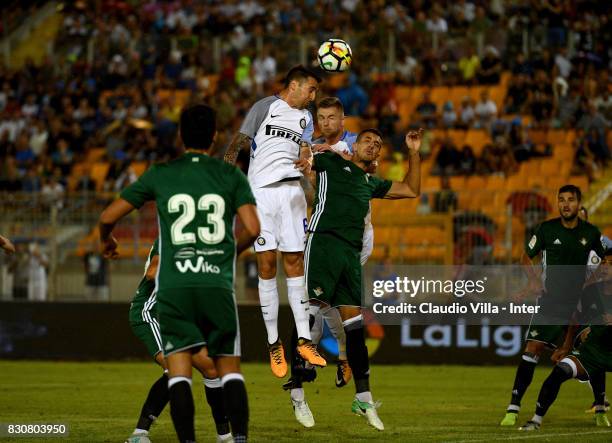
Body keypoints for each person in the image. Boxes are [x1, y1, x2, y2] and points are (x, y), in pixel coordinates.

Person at [99, 104, 260, 443]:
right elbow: (153, 271)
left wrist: (107, 238)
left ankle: (217, 435)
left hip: (179, 295)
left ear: (180, 135)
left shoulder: (164, 179)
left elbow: (108, 217)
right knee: (212, 367)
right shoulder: (227, 179)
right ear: (215, 137)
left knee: (195, 369)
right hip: (152, 309)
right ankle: (146, 432)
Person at [303, 127, 423, 430]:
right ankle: (296, 388)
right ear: (353, 146)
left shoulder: (369, 182)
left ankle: (363, 398)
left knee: (355, 330)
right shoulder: (330, 162)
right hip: (323, 246)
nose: (374, 145)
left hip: (350, 257)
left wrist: (413, 152)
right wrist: (310, 154)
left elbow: (411, 190)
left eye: (378, 143)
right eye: (368, 140)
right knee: (310, 313)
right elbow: (303, 156)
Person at [223, 65, 326, 378]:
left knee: (295, 267)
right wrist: (228, 177)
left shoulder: (306, 118)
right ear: (293, 85)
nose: (313, 97)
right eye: (310, 90)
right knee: (267, 266)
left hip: (292, 194)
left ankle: (304, 341)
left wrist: (307, 160)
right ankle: (273, 344)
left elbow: (308, 151)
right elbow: (238, 143)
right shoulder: (264, 107)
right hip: (262, 195)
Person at [500, 185, 606, 427]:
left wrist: (591, 283)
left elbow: (604, 261)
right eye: (561, 200)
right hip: (551, 302)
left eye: (570, 200)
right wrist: (535, 282)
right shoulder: (547, 229)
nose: (565, 204)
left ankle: (600, 409)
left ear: (579, 203)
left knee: (594, 353)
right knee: (532, 349)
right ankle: (512, 409)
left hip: (580, 304)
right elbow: (525, 257)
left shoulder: (591, 233)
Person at [125, 241, 231, 443]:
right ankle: (139, 435)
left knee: (211, 369)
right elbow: (152, 272)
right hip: (150, 313)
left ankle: (224, 437)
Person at [519, 247, 612, 430]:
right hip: (592, 351)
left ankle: (600, 407)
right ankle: (536, 420)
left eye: (611, 263)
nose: (606, 267)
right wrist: (567, 345)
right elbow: (575, 318)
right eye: (604, 263)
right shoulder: (591, 291)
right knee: (560, 371)